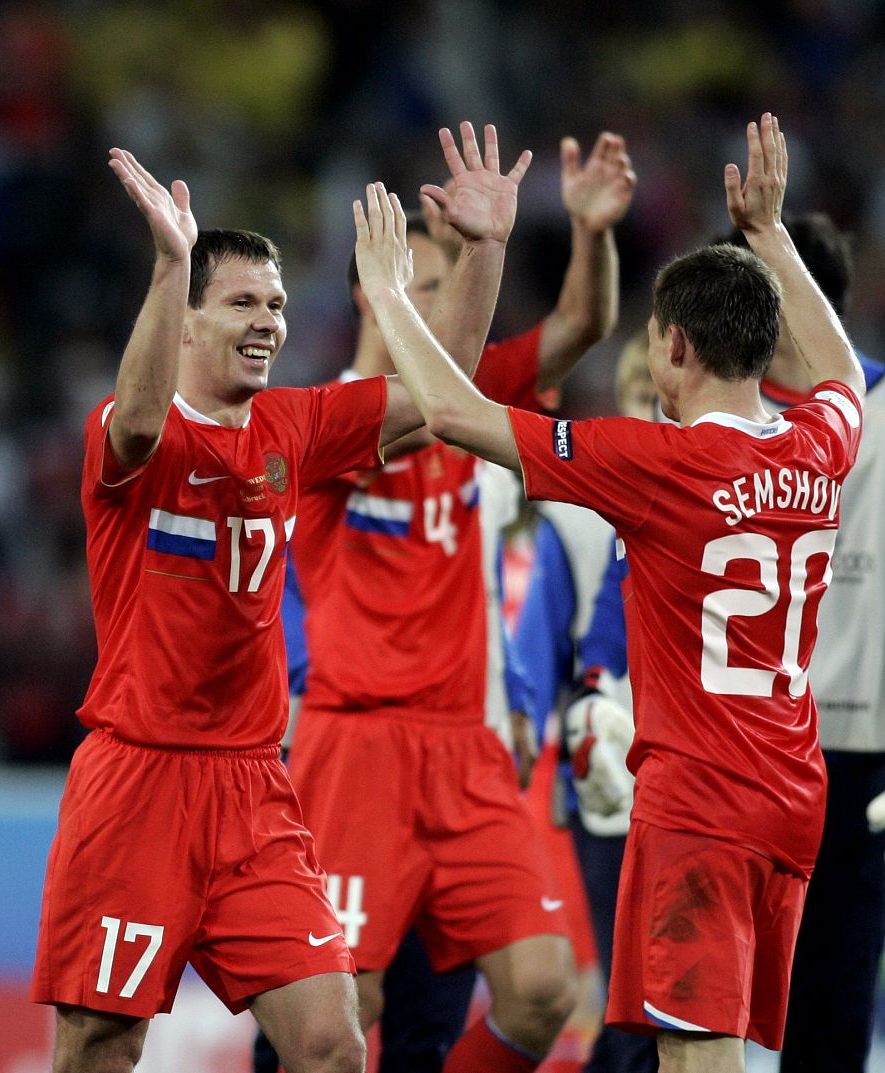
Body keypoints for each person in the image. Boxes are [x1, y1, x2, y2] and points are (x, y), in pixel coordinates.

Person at [353, 112, 863, 1073]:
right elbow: (838, 368)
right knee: (712, 1051)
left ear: (673, 348)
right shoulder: (818, 446)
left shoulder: (658, 461)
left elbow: (455, 413)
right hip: (795, 796)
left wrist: (390, 293)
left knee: (697, 1056)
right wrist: (771, 233)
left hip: (703, 804)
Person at [31, 128, 527, 1073]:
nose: (269, 321)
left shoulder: (293, 427)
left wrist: (486, 249)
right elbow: (136, 420)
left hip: (256, 789)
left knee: (334, 1046)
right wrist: (170, 262)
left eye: (278, 304)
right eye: (241, 303)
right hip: (139, 783)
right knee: (101, 1042)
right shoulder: (131, 433)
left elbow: (439, 386)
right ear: (183, 319)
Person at [282, 127, 633, 1073]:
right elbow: (430, 398)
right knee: (338, 1014)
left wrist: (571, 237)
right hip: (356, 744)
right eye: (417, 291)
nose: (436, 314)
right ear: (374, 289)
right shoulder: (325, 421)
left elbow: (581, 327)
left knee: (544, 989)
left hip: (467, 749)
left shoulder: (464, 395)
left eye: (437, 291)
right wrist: (481, 252)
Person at [711, 215, 885, 1073]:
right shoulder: (707, 429)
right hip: (729, 758)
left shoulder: (873, 418)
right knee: (697, 1011)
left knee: (830, 1005)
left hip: (854, 760)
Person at [508, 332, 659, 1073]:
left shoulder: (703, 492)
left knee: (662, 1007)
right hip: (603, 779)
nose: (647, 423)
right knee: (633, 1005)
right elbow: (545, 649)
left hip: (689, 777)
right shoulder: (575, 519)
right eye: (634, 404)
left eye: (655, 406)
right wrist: (554, 721)